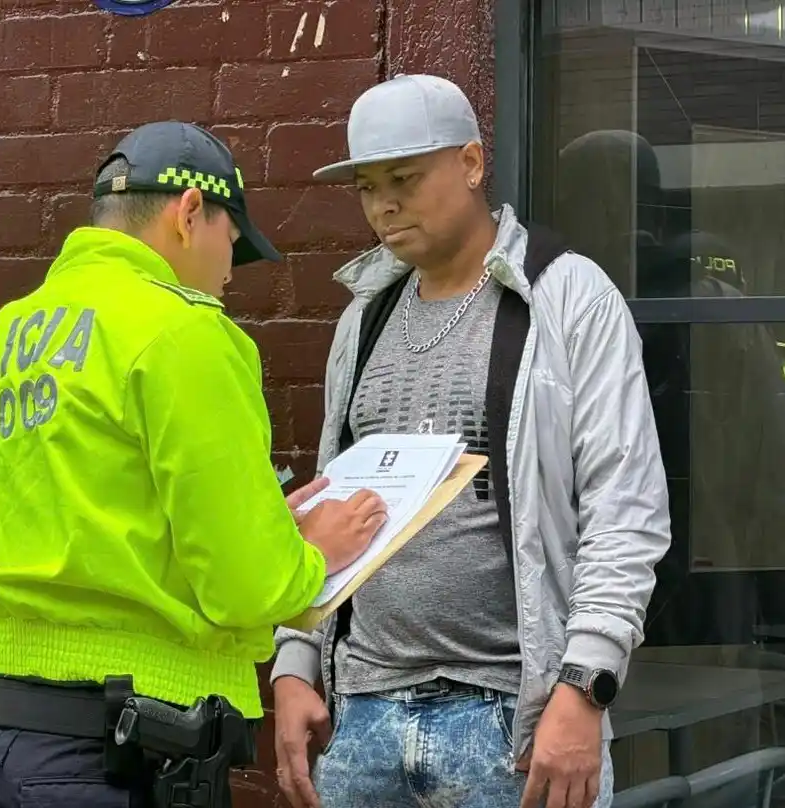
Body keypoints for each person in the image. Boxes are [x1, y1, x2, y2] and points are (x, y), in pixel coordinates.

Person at [0, 121, 388, 808]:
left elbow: (102, 520)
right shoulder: (182, 331)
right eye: (230, 242)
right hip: (123, 757)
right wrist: (309, 555)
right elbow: (247, 587)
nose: (229, 272)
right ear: (187, 214)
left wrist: (266, 524)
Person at [270, 76, 671, 808]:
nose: (382, 204)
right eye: (366, 186)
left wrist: (584, 686)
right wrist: (295, 663)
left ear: (472, 164)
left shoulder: (566, 296)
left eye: (404, 178)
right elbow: (330, 512)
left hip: (510, 727)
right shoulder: (362, 319)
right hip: (361, 716)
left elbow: (626, 511)